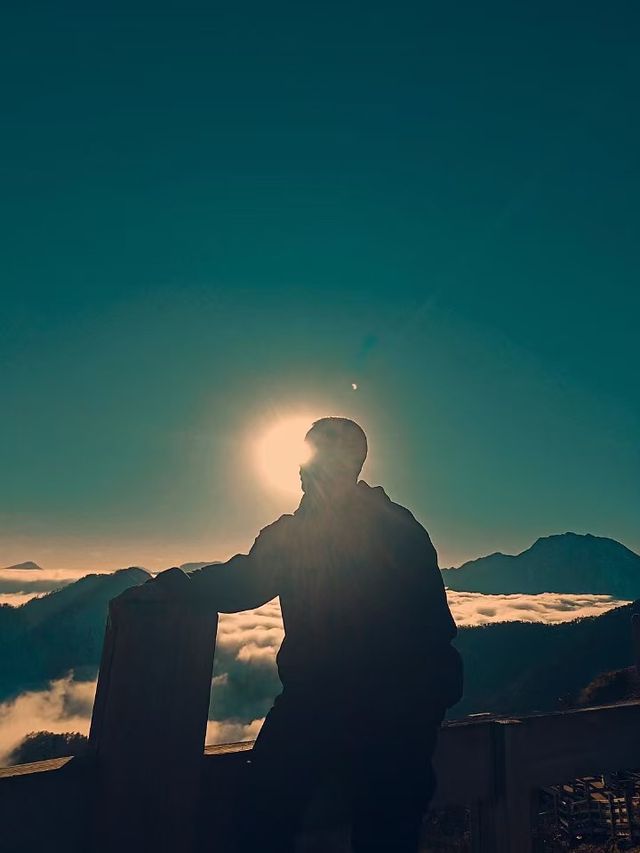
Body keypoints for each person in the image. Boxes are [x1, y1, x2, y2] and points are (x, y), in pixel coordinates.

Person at [138, 417, 462, 852]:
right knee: (387, 829)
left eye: (313, 456)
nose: (303, 468)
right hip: (401, 718)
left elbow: (248, 581)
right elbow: (436, 629)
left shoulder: (303, 534)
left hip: (325, 705)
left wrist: (184, 587)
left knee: (265, 812)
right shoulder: (401, 528)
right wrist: (428, 702)